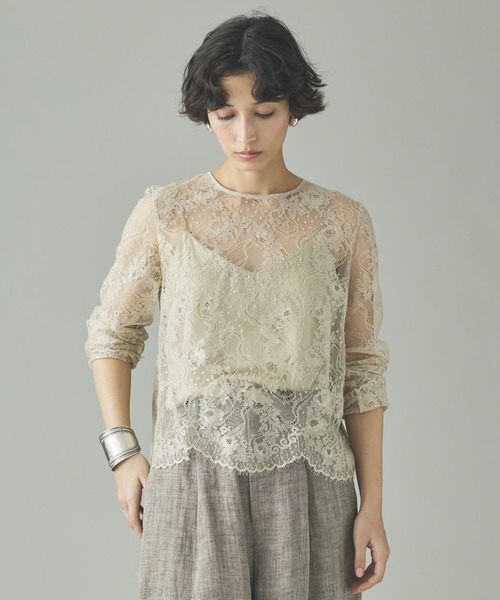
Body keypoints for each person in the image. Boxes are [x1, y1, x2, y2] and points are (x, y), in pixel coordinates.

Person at [85, 11, 390, 600]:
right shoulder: (166, 213)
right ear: (206, 113)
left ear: (294, 107)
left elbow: (362, 369)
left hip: (313, 483)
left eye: (264, 112)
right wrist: (122, 453)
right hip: (192, 478)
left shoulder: (343, 222)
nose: (245, 135)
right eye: (225, 115)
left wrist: (372, 505)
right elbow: (111, 334)